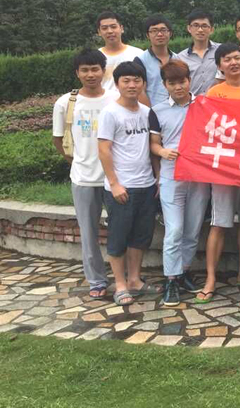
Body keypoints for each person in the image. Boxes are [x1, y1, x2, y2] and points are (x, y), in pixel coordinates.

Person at [196, 44, 240, 303]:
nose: (233, 62)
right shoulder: (214, 93)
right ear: (220, 66)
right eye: (227, 59)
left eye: (237, 57)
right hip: (224, 166)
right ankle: (210, 278)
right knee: (220, 222)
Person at [52, 48, 117, 300]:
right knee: (88, 233)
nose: (90, 74)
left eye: (95, 69)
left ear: (103, 71)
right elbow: (58, 139)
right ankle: (97, 280)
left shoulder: (115, 98)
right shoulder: (65, 103)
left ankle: (123, 277)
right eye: (85, 70)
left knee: (121, 229)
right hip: (83, 178)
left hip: (114, 178)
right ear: (77, 73)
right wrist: (76, 161)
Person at [97, 61, 159, 306]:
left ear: (143, 83)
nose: (132, 85)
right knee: (118, 237)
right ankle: (120, 284)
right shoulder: (110, 113)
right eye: (126, 81)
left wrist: (157, 179)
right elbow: (104, 150)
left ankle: (134, 279)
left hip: (146, 184)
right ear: (117, 84)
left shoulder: (147, 112)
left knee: (140, 237)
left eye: (136, 80)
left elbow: (152, 147)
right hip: (122, 187)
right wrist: (114, 184)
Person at [149, 59, 209, 306]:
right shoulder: (157, 111)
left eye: (182, 81)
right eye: (172, 83)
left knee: (192, 229)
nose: (178, 87)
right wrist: (163, 152)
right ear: (165, 85)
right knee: (174, 230)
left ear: (189, 81)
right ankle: (171, 279)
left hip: (199, 176)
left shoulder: (204, 105)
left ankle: (183, 271)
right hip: (171, 175)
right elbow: (153, 144)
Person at [95, 11, 144, 92]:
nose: (110, 31)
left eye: (113, 27)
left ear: (121, 28)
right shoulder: (95, 56)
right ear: (99, 32)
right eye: (104, 28)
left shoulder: (138, 54)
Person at [176, 9, 219, 96]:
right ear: (189, 28)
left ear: (211, 29)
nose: (200, 30)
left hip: (217, 100)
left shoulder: (221, 51)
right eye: (196, 25)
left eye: (204, 26)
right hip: (193, 102)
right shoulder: (180, 58)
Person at [134, 15, 175, 107]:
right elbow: (140, 91)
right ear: (147, 35)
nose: (159, 34)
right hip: (152, 111)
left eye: (163, 30)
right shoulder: (140, 60)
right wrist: (150, 112)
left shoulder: (178, 59)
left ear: (170, 33)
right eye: (154, 31)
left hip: (177, 112)